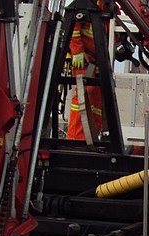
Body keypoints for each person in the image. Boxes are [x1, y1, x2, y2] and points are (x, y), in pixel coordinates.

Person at [67, 0, 105, 140]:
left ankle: (91, 138)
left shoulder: (108, 5)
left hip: (98, 61)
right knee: (84, 94)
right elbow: (73, 22)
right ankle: (76, 138)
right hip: (84, 58)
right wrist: (77, 51)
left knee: (95, 100)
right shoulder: (87, 2)